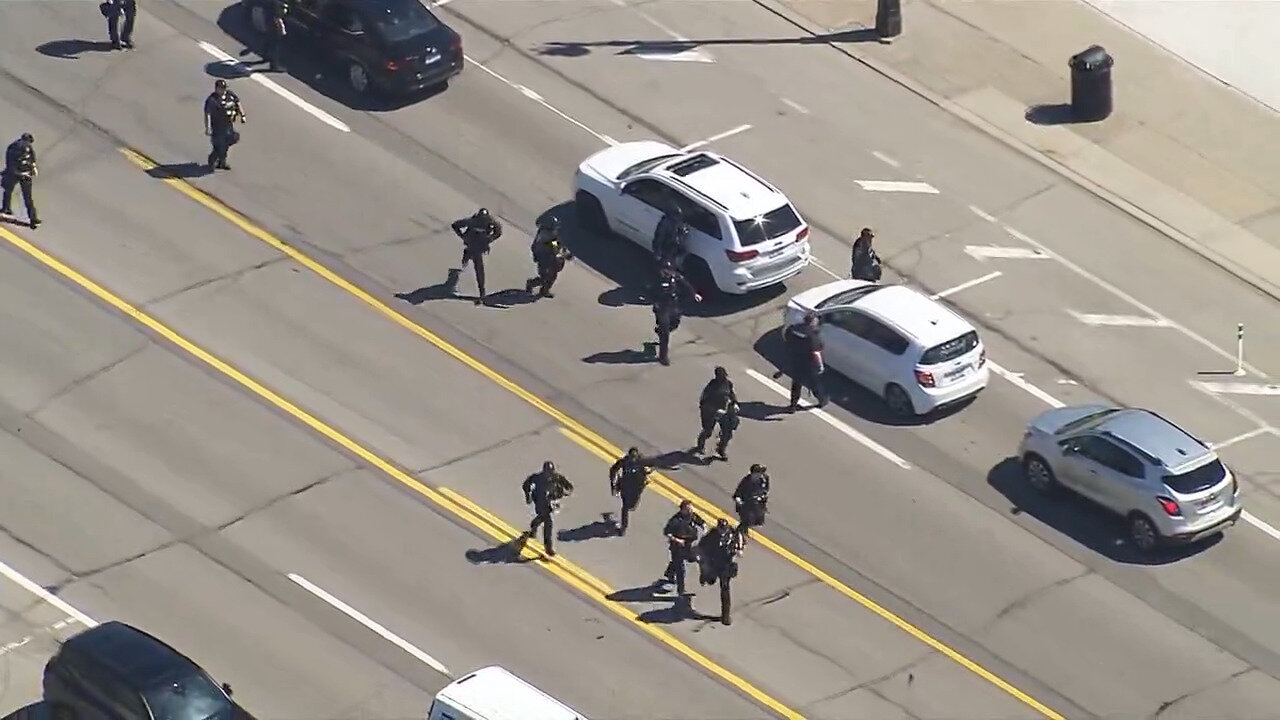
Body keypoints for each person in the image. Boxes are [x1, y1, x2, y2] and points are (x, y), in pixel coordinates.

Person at [645, 260, 701, 366]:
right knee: (665, 334)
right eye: (666, 270)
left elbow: (686, 285)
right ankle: (663, 357)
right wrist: (655, 301)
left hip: (673, 305)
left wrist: (694, 294)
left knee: (675, 323)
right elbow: (649, 292)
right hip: (662, 307)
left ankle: (660, 331)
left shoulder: (675, 277)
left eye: (670, 270)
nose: (668, 272)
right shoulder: (656, 280)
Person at [521, 461, 573, 557]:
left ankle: (534, 526)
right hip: (540, 501)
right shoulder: (537, 478)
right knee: (548, 522)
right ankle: (548, 548)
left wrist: (567, 491)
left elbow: (568, 486)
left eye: (550, 472)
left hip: (550, 501)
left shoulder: (556, 477)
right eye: (547, 473)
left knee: (542, 517)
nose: (548, 475)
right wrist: (528, 496)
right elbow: (526, 485)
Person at [451, 208, 502, 304]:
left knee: (479, 269)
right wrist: (462, 236)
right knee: (479, 268)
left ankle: (482, 291)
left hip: (479, 247)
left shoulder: (491, 222)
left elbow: (498, 231)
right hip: (472, 245)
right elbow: (455, 225)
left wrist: (490, 238)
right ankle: (481, 291)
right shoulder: (472, 222)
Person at [697, 518, 743, 625]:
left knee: (725, 589)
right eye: (721, 529)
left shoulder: (732, 533)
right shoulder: (712, 535)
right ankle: (705, 576)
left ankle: (725, 616)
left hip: (726, 565)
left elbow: (740, 539)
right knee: (710, 580)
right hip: (714, 563)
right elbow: (702, 546)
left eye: (724, 529)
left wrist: (739, 549)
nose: (723, 531)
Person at [783, 311, 827, 412]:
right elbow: (816, 353)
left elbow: (787, 338)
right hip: (808, 364)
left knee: (796, 384)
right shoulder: (812, 336)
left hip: (795, 360)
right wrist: (820, 366)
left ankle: (793, 405)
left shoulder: (793, 329)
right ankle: (822, 401)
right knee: (814, 383)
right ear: (812, 323)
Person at [694, 366, 738, 460]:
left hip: (723, 410)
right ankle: (700, 446)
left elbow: (731, 394)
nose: (724, 377)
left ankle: (721, 449)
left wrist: (734, 403)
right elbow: (704, 398)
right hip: (710, 410)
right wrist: (708, 409)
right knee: (708, 431)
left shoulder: (728, 384)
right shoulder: (712, 385)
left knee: (727, 432)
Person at [661, 500, 705, 596]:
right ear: (682, 510)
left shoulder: (692, 516)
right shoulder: (676, 520)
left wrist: (703, 527)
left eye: (691, 508)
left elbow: (700, 522)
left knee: (694, 558)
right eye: (688, 508)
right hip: (677, 547)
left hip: (689, 545)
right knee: (680, 569)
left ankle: (670, 573)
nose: (690, 510)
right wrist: (677, 540)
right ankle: (681, 591)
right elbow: (667, 532)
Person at [525, 216, 572, 299]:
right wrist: (558, 245)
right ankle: (531, 283)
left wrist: (564, 250)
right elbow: (547, 245)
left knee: (553, 276)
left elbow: (559, 243)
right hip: (544, 257)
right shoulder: (544, 235)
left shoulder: (553, 233)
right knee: (545, 277)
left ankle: (544, 291)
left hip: (552, 257)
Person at [203, 79, 246, 171]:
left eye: (224, 88)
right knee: (220, 144)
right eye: (221, 88)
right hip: (218, 126)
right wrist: (208, 127)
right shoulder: (212, 100)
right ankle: (219, 161)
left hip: (228, 125)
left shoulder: (230, 95)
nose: (223, 90)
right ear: (216, 89)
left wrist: (242, 115)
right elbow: (208, 114)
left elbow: (237, 103)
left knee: (231, 140)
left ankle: (218, 157)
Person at [608, 447, 652, 536]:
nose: (632, 459)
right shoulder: (624, 461)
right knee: (625, 507)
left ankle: (609, 519)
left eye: (634, 457)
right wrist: (613, 483)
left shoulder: (641, 462)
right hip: (626, 487)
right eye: (631, 457)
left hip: (637, 487)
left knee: (632, 506)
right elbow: (613, 470)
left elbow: (648, 469)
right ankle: (623, 528)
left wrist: (647, 474)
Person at [1, 133, 39, 229]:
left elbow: (32, 158)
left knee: (24, 196)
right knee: (11, 191)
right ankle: (6, 209)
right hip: (16, 173)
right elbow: (11, 164)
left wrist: (33, 168)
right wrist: (24, 173)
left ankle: (32, 218)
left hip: (22, 173)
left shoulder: (27, 148)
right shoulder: (14, 148)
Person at [732, 464, 770, 542]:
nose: (760, 475)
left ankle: (744, 530)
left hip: (758, 504)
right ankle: (738, 534)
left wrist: (762, 497)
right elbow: (737, 494)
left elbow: (766, 490)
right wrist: (739, 500)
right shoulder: (746, 481)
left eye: (761, 473)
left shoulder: (765, 479)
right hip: (746, 504)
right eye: (758, 473)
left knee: (758, 521)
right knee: (747, 520)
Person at [263, 0, 289, 72]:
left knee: (270, 38)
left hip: (269, 15)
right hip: (274, 17)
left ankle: (265, 55)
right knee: (275, 43)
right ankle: (274, 65)